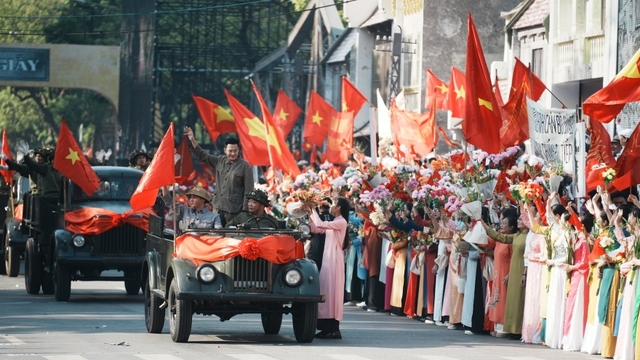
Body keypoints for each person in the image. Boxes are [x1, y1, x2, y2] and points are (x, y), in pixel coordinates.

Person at [185, 126, 254, 226]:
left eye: (235, 150)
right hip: (217, 209)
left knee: (232, 237)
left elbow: (249, 191)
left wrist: (244, 212)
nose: (233, 153)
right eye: (230, 151)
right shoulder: (219, 161)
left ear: (239, 150)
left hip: (234, 211)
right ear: (225, 150)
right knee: (216, 236)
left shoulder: (245, 166)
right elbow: (203, 155)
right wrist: (192, 140)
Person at [304, 197, 350, 340]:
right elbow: (316, 228)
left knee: (331, 292)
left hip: (334, 259)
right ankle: (326, 328)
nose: (331, 207)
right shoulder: (336, 221)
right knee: (326, 290)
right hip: (329, 258)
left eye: (334, 204)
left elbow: (320, 223)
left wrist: (312, 208)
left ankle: (332, 329)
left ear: (339, 207)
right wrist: (309, 213)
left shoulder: (341, 222)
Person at [306, 199, 335, 271]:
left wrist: (310, 214)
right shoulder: (335, 218)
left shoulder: (316, 218)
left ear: (319, 206)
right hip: (330, 252)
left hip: (316, 250)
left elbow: (310, 232)